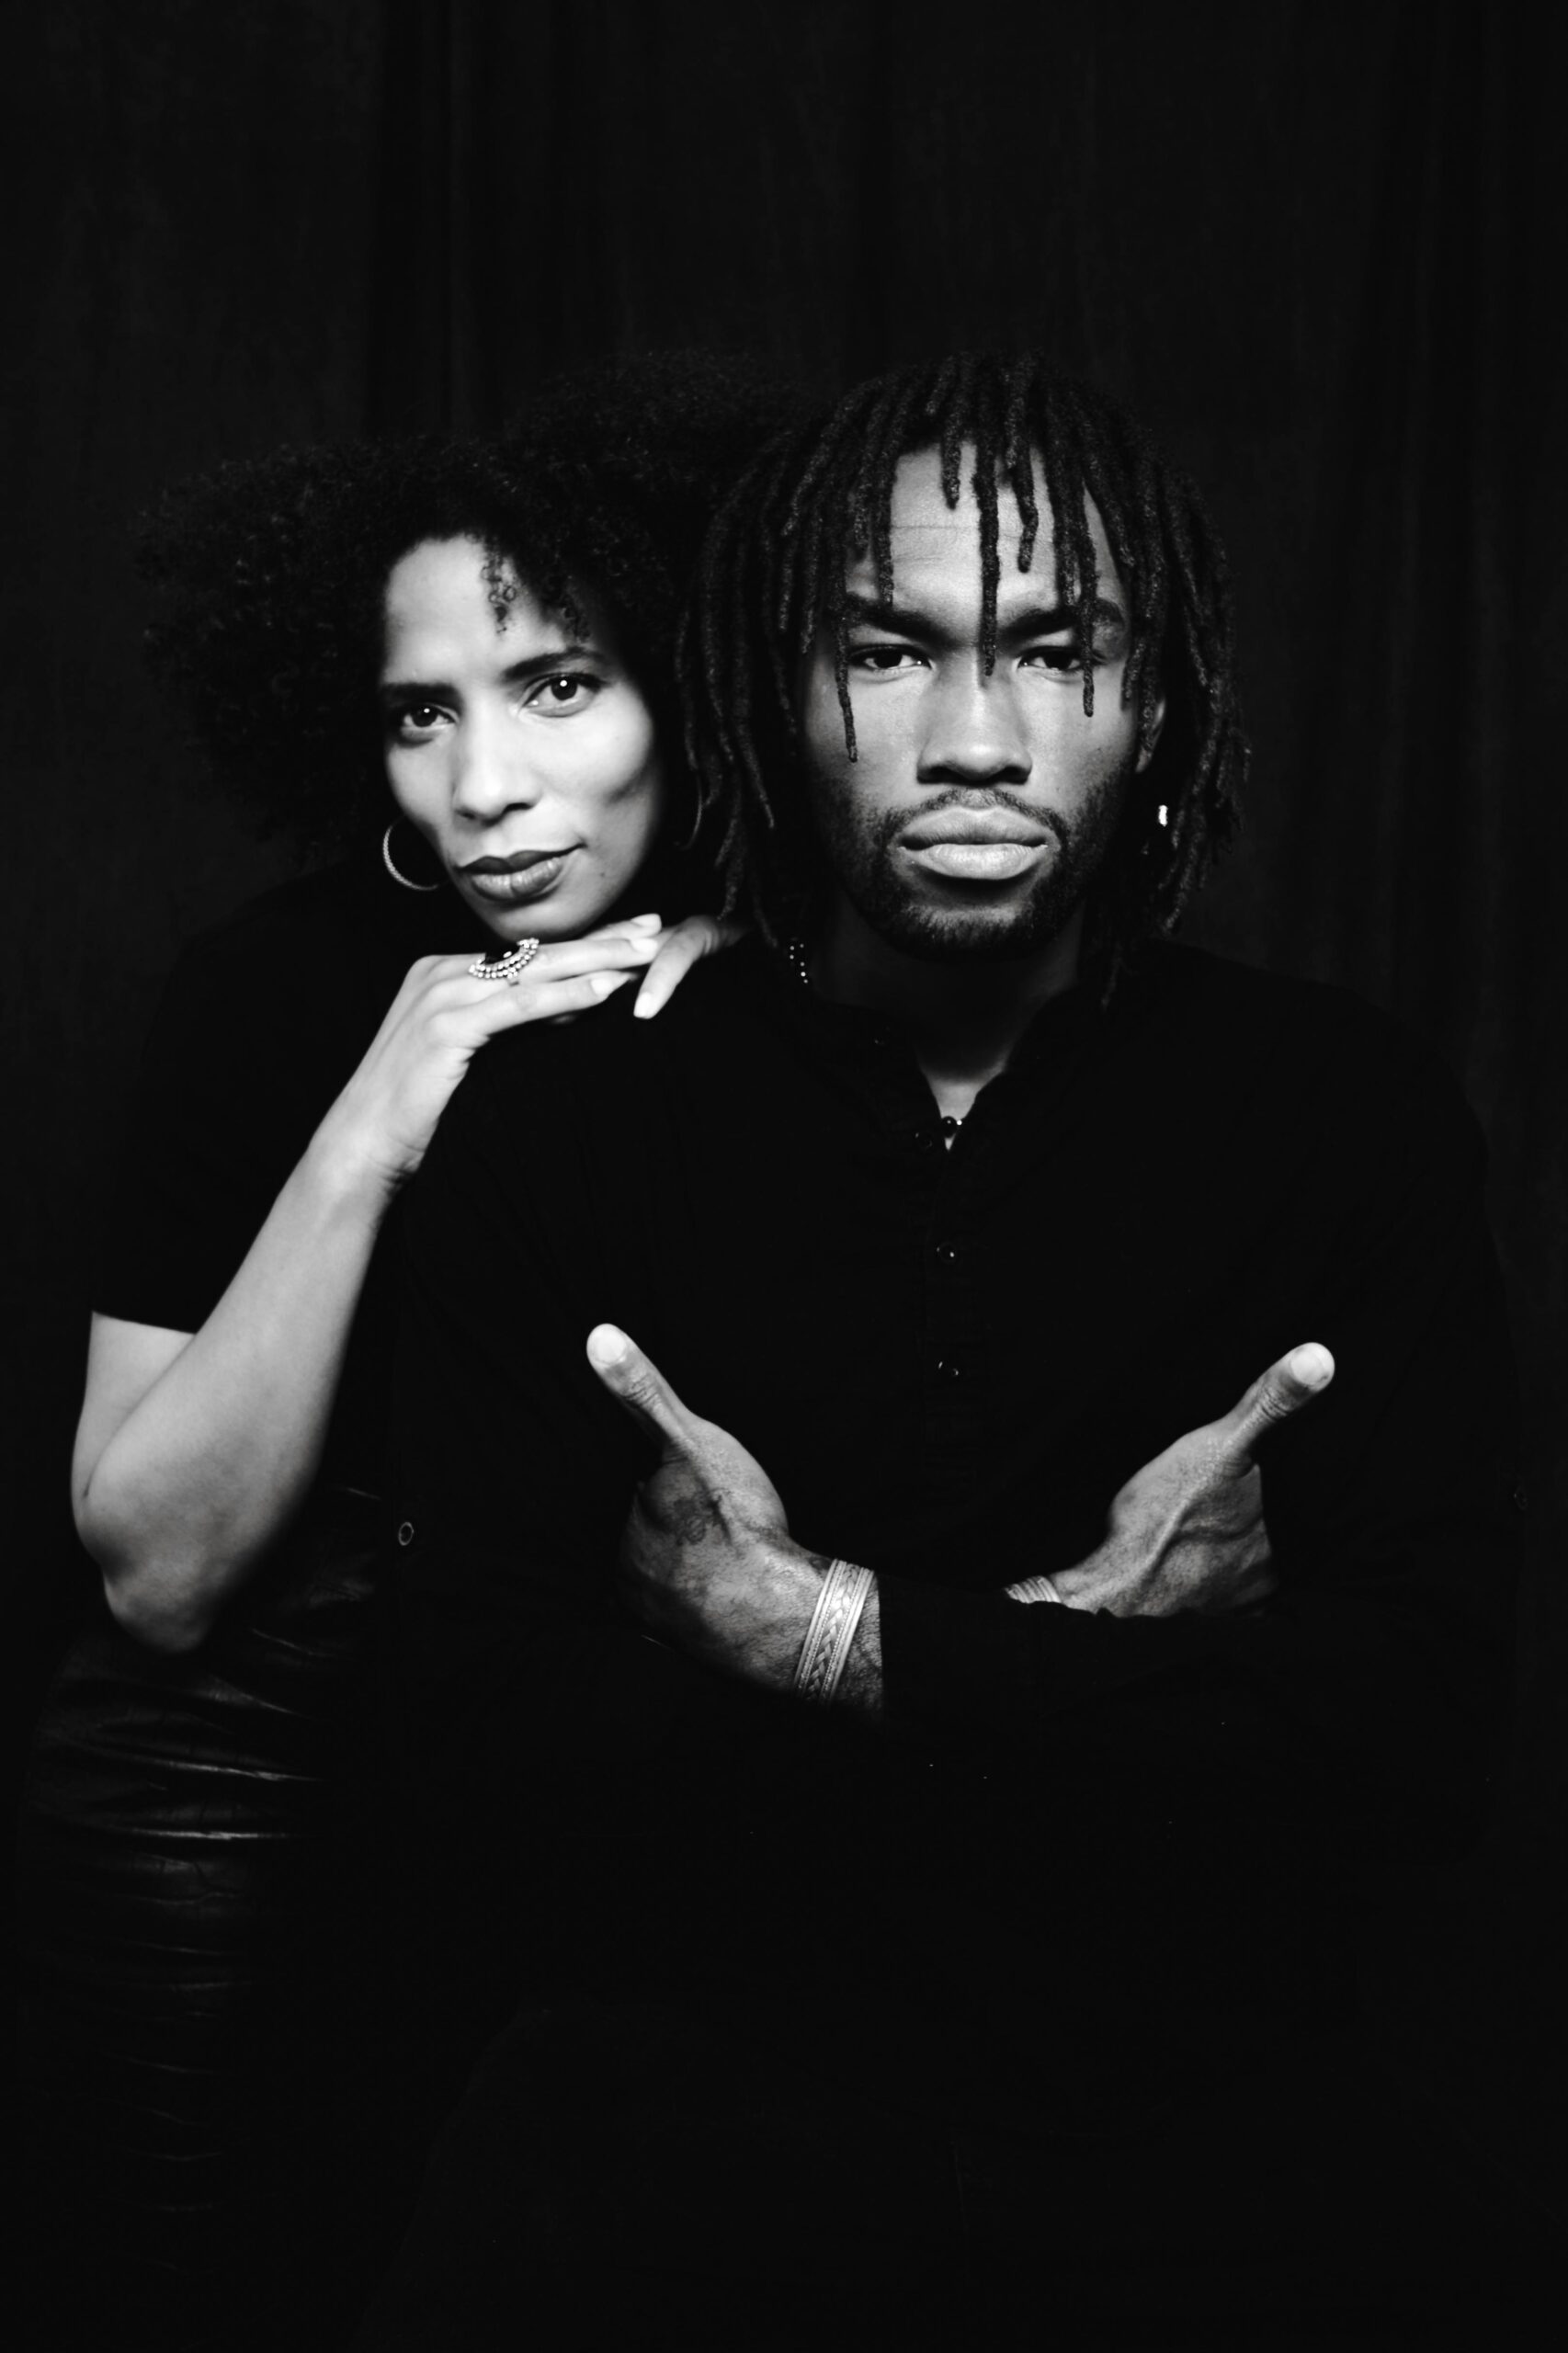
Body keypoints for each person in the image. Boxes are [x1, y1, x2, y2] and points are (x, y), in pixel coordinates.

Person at [360, 356, 1525, 2347]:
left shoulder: (1345, 1108)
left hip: (1214, 2187)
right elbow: (473, 1753)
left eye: (1055, 647)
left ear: (1152, 695)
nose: (974, 737)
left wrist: (821, 1633)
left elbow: (1417, 1734)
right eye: (887, 648)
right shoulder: (576, 1122)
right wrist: (1109, 1658)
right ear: (770, 694)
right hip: (667, 2195)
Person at [16, 359, 786, 2353]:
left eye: (555, 685)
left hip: (586, 1830)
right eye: (418, 713)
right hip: (234, 1809)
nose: (485, 785)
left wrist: (718, 1042)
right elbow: (156, 1565)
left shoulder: (791, 998)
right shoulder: (275, 990)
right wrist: (382, 1102)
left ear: (686, 686)